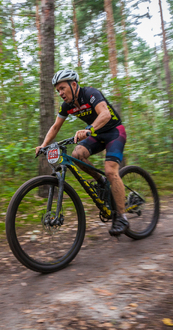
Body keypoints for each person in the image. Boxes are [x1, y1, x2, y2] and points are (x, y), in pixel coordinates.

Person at [35, 69, 128, 236]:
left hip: (114, 132)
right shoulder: (67, 106)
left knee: (111, 170)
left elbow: (105, 114)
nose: (60, 93)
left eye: (62, 88)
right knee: (77, 155)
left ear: (74, 84)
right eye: (58, 91)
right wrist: (43, 145)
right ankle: (100, 182)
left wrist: (89, 129)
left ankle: (122, 217)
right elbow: (55, 126)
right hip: (97, 134)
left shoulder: (91, 94)